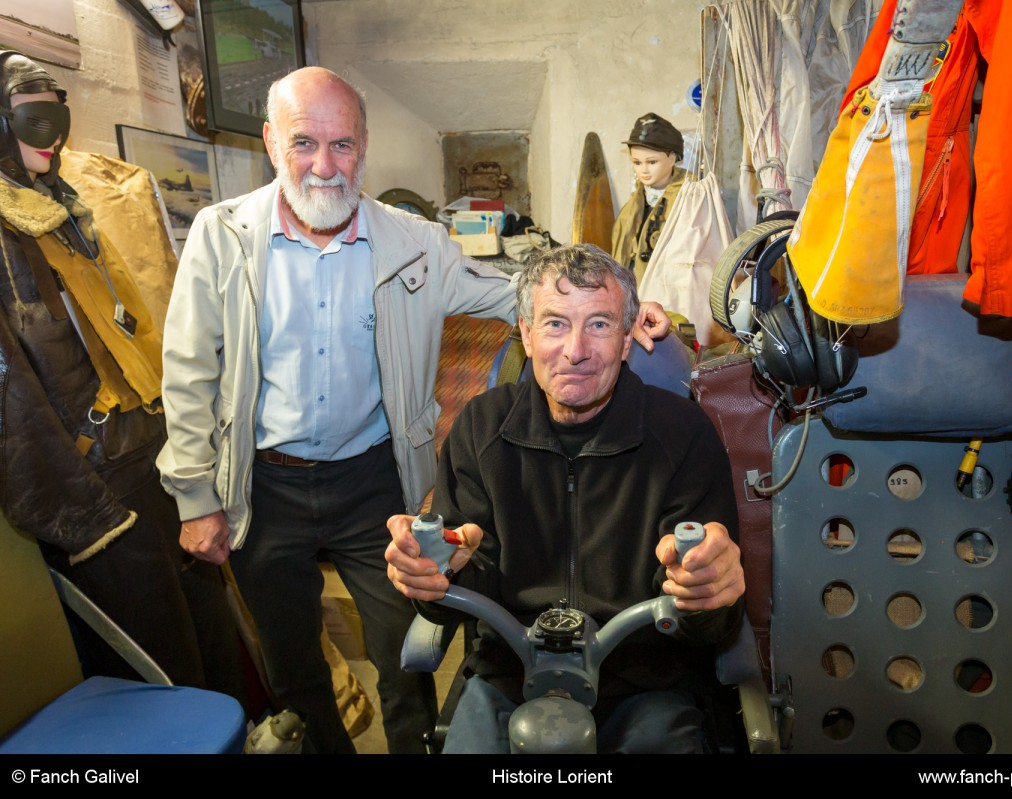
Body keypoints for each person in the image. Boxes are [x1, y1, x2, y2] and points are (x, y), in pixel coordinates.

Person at [157, 66, 671, 754]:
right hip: (262, 483)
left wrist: (616, 304)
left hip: (376, 481)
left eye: (342, 146)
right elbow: (188, 368)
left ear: (363, 147)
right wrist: (196, 496)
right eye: (305, 143)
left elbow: (516, 290)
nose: (324, 164)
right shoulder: (222, 237)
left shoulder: (415, 242)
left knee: (405, 651)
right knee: (291, 659)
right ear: (273, 143)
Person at [0, 49, 245, 702]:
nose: (51, 135)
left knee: (212, 638)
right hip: (99, 486)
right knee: (161, 672)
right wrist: (84, 519)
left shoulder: (54, 203)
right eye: (32, 118)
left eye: (56, 115)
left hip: (149, 450)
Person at [386, 243, 745, 754]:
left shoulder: (684, 434)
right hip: (510, 676)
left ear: (626, 339)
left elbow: (706, 623)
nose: (575, 350)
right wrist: (434, 574)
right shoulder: (481, 428)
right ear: (527, 336)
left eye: (598, 324)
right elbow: (459, 587)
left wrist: (712, 590)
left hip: (645, 683)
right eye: (555, 324)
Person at [611, 112, 687, 285]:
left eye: (652, 162)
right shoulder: (630, 209)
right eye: (637, 162)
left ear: (672, 158)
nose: (643, 170)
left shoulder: (689, 202)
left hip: (671, 298)